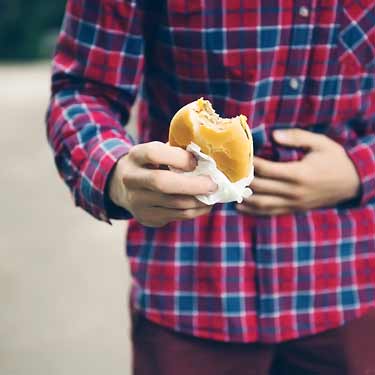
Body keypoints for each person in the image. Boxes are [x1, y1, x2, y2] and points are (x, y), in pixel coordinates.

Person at [46, 1, 375, 374]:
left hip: (349, 280)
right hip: (190, 289)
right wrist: (116, 174)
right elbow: (82, 89)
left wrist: (360, 170)